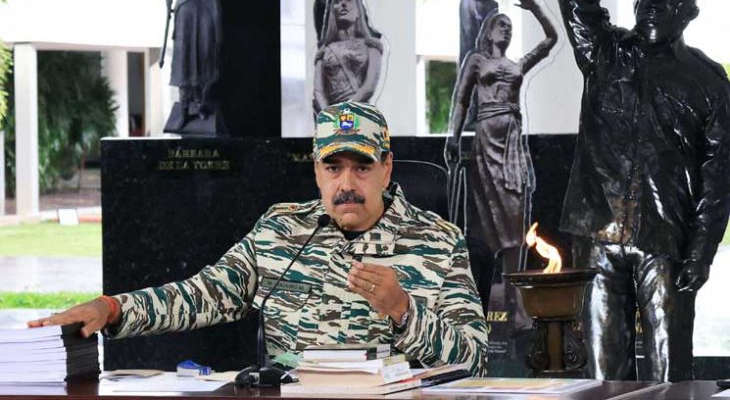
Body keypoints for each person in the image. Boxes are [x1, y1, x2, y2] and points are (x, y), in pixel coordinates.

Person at [29, 101, 490, 376]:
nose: (347, 183)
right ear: (316, 171)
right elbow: (202, 294)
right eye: (333, 167)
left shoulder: (439, 241)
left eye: (362, 167)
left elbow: (474, 361)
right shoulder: (280, 231)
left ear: (386, 169)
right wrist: (111, 309)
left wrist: (404, 310)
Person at [557, 0, 730, 382]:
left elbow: (717, 178)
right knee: (603, 376)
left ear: (690, 13)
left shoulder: (708, 81)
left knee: (669, 374)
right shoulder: (604, 52)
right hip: (598, 234)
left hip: (665, 240)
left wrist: (701, 253)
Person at [445, 0, 557, 290]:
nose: (506, 29)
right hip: (485, 142)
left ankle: (514, 292)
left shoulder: (517, 64)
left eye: (509, 26)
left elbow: (551, 40)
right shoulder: (477, 61)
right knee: (484, 218)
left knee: (515, 210)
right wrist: (454, 136)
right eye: (501, 25)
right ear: (489, 31)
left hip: (511, 144)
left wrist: (535, 7)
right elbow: (461, 100)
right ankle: (482, 289)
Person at [164, 0, 226, 120]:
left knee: (206, 51)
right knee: (183, 53)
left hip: (206, 1)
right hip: (185, 1)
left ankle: (201, 100)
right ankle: (184, 103)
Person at [312, 0, 383, 115]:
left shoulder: (372, 47)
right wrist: (329, 115)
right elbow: (318, 91)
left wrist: (341, 112)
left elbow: (368, 87)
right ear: (333, 12)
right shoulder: (324, 52)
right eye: (338, 0)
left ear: (358, 11)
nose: (343, 3)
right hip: (332, 118)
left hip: (359, 115)